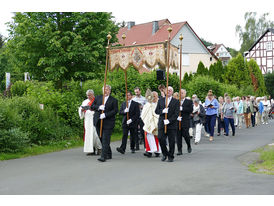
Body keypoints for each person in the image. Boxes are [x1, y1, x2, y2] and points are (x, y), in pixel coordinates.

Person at [92, 85, 118, 162]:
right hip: (98, 121)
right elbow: (92, 106)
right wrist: (99, 107)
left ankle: (103, 156)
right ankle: (109, 153)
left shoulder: (114, 100)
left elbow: (115, 111)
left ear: (110, 91)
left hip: (108, 122)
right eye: (104, 89)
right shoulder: (98, 98)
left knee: (105, 139)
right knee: (101, 138)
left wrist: (106, 114)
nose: (105, 91)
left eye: (107, 89)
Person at [155, 86, 179, 162]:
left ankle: (171, 156)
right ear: (165, 91)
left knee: (171, 141)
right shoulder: (161, 100)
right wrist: (163, 111)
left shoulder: (176, 101)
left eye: (170, 90)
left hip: (171, 124)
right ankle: (165, 153)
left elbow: (176, 114)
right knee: (160, 138)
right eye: (167, 90)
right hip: (162, 123)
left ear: (172, 92)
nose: (168, 92)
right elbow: (156, 111)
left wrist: (169, 120)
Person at [78, 89, 102, 155]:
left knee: (95, 135)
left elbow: (99, 109)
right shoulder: (85, 101)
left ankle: (99, 148)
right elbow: (80, 109)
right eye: (87, 95)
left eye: (89, 95)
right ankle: (91, 150)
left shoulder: (97, 100)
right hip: (87, 120)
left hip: (94, 119)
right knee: (88, 135)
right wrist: (82, 110)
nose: (88, 97)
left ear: (93, 94)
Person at [141, 90, 161, 158]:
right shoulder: (147, 105)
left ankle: (157, 151)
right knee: (148, 136)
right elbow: (143, 113)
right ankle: (148, 151)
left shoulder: (160, 103)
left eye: (155, 96)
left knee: (156, 137)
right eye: (153, 96)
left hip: (157, 122)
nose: (154, 98)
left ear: (157, 97)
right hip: (149, 123)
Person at [177, 89, 193, 155]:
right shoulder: (176, 101)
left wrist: (182, 109)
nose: (181, 94)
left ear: (185, 94)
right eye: (180, 93)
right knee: (178, 136)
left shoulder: (189, 101)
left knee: (186, 135)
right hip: (178, 120)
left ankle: (188, 145)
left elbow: (190, 110)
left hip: (185, 120)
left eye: (182, 93)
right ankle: (179, 150)